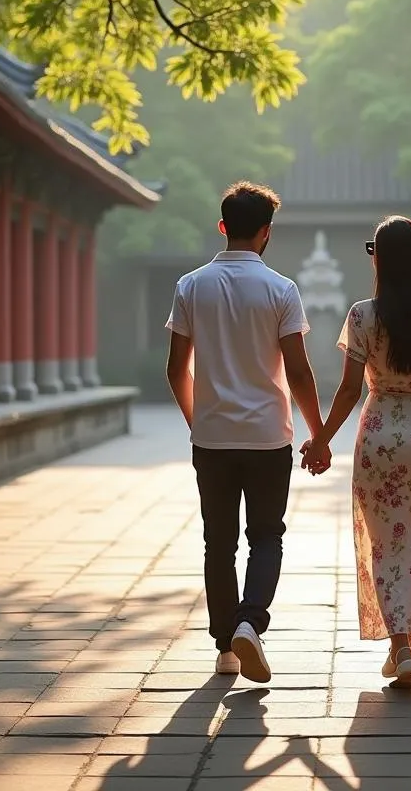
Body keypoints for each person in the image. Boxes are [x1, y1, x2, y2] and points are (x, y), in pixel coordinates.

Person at [302, 215, 411, 688]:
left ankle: (401, 644)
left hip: (380, 435)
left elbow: (346, 392)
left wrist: (320, 440)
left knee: (385, 544)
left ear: (380, 259)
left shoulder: (363, 316)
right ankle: (408, 646)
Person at [165, 182, 328, 684]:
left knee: (219, 542)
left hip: (212, 437)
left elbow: (176, 369)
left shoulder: (191, 285)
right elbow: (298, 373)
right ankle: (250, 622)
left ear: (222, 228)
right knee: (266, 537)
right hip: (267, 437)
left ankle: (226, 648)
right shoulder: (281, 289)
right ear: (266, 233)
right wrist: (318, 433)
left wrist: (201, 422)